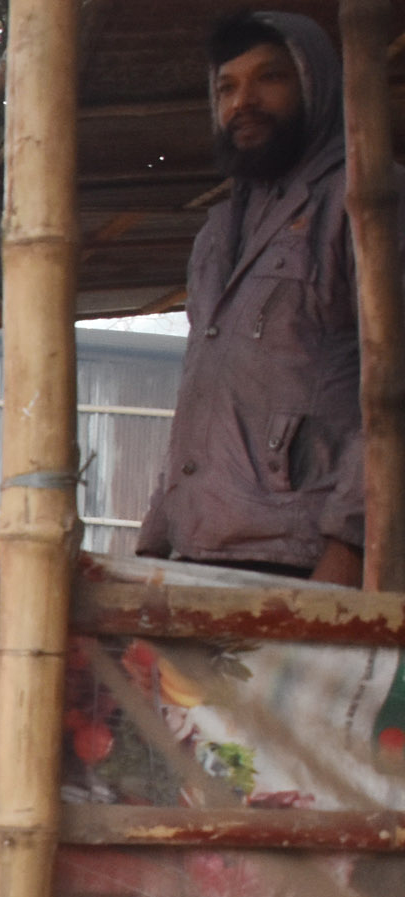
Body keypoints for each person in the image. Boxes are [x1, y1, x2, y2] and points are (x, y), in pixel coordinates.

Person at [137, 11, 405, 585]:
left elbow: (396, 392)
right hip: (202, 550)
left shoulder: (369, 202)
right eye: (226, 88)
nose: (244, 102)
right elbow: (201, 398)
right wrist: (156, 539)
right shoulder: (218, 231)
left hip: (308, 557)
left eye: (270, 78)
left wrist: (349, 547)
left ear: (315, 85)